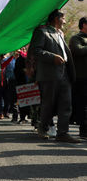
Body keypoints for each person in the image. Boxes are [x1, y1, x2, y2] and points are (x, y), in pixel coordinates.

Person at [29, 9, 79, 142]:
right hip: (49, 75)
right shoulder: (42, 32)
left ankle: (62, 133)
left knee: (66, 104)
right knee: (49, 104)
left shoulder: (60, 34)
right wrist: (53, 57)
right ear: (57, 19)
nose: (65, 21)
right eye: (63, 18)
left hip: (64, 74)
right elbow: (36, 50)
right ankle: (43, 127)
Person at [69, 17, 87, 139]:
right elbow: (78, 51)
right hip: (82, 77)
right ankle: (84, 130)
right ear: (84, 25)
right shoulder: (76, 38)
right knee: (83, 105)